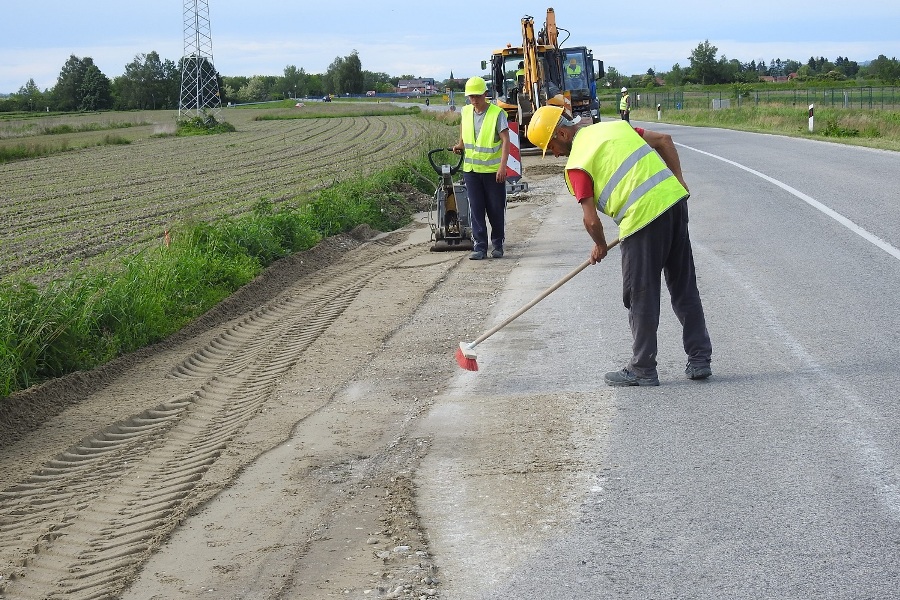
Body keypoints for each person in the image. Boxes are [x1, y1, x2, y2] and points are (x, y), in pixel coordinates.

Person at [525, 105, 713, 386]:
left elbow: (590, 221)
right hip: (674, 203)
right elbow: (665, 141)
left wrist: (599, 245)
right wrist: (679, 181)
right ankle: (699, 360)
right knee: (683, 286)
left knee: (640, 295)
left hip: (642, 220)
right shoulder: (614, 127)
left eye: (551, 145)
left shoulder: (577, 163)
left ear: (562, 133)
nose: (554, 153)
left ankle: (642, 368)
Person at [452, 77, 511, 260]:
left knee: (495, 208)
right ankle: (480, 246)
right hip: (471, 170)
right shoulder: (466, 111)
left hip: (493, 172)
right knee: (476, 209)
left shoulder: (497, 113)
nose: (474, 100)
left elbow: (506, 140)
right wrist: (460, 144)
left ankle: (498, 244)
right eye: (471, 97)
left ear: (485, 94)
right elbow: (464, 128)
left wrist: (503, 166)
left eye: (477, 96)